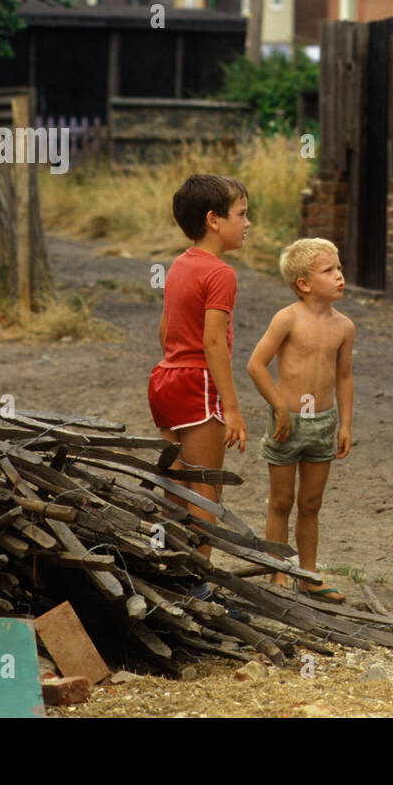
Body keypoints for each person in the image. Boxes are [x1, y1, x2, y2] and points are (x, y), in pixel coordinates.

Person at [148, 173, 250, 563]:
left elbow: (164, 327)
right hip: (197, 383)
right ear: (214, 220)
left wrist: (177, 361)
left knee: (173, 484)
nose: (247, 223)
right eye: (241, 214)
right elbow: (212, 343)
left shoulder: (178, 264)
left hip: (165, 378)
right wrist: (233, 409)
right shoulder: (220, 273)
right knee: (204, 487)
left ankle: (168, 568)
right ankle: (200, 581)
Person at [247, 238, 354, 603]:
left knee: (311, 504)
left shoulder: (344, 327)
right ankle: (278, 572)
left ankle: (307, 574)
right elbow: (255, 364)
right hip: (287, 424)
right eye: (329, 270)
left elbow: (344, 377)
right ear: (303, 284)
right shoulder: (287, 318)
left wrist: (345, 424)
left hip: (322, 423)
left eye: (339, 268)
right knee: (280, 501)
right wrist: (278, 406)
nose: (340, 276)